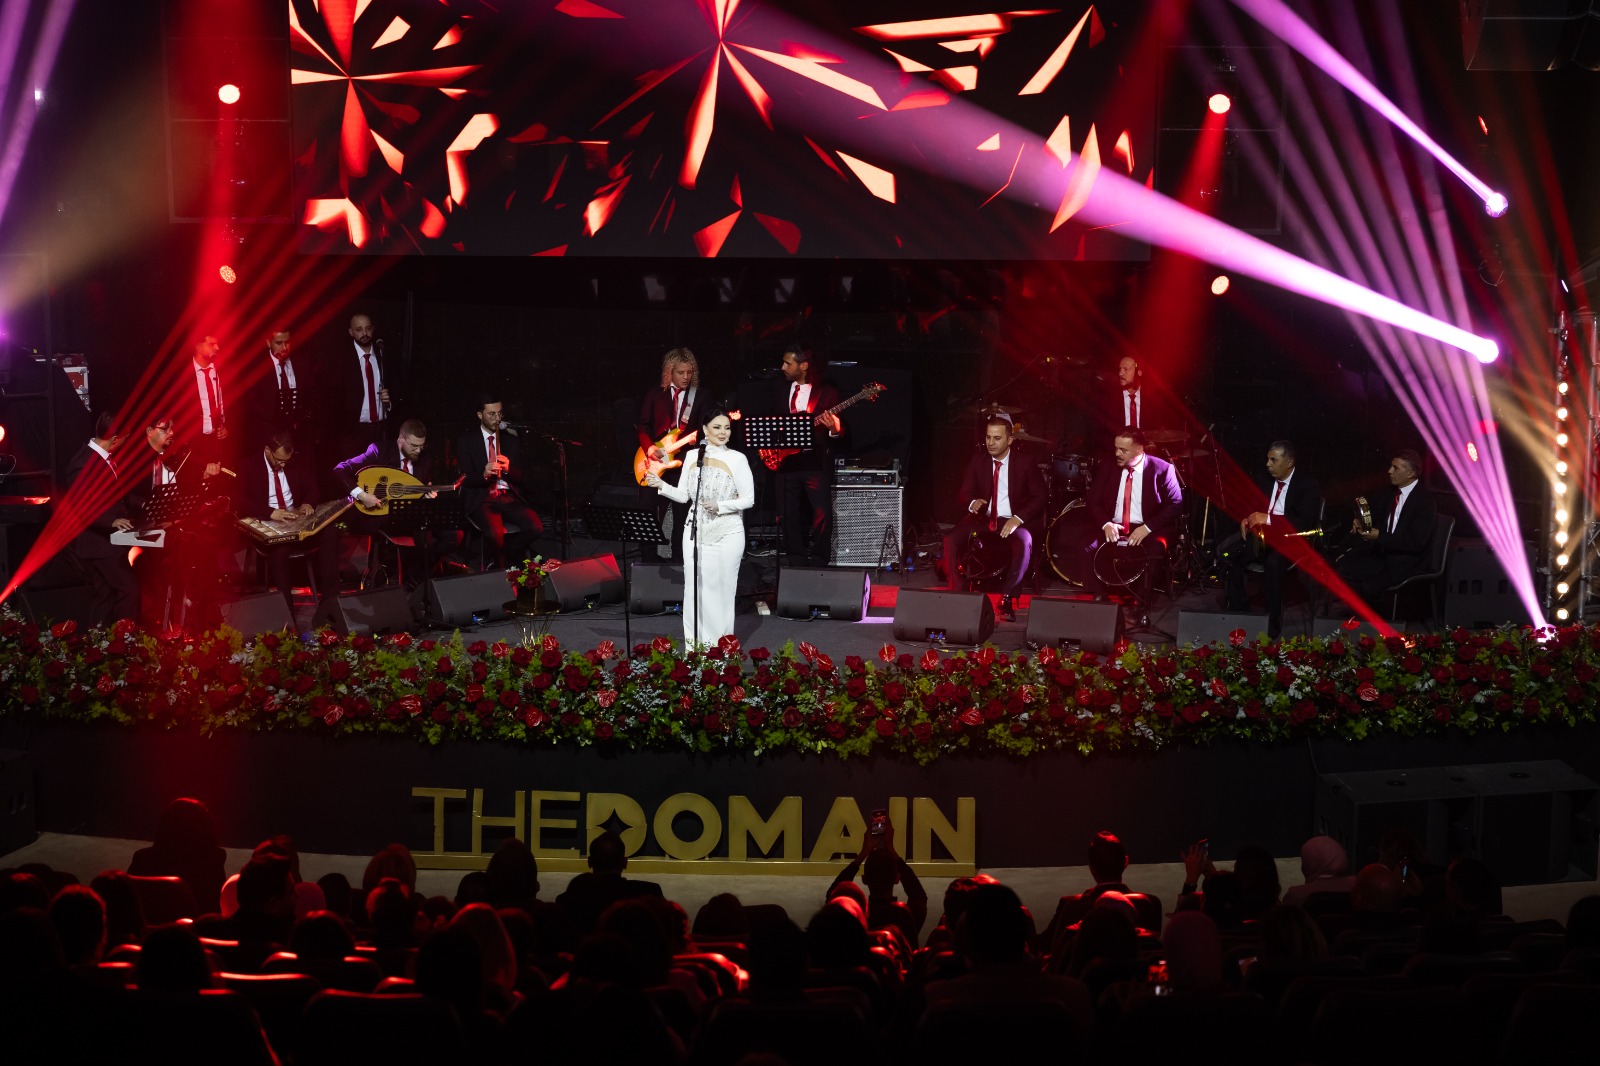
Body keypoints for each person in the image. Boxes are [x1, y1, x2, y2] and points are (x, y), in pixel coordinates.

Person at [644, 408, 753, 646]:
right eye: (717, 427)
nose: (723, 432)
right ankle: (695, 650)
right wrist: (661, 485)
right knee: (694, 591)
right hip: (694, 531)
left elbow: (749, 499)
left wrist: (721, 506)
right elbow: (684, 495)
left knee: (721, 593)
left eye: (726, 428)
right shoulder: (693, 456)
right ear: (705, 429)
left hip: (727, 533)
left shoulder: (737, 459)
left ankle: (720, 649)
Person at [940, 413, 1049, 621]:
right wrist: (973, 502)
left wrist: (1018, 518)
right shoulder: (979, 460)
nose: (991, 443)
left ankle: (1007, 598)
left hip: (1013, 519)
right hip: (985, 519)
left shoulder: (1025, 463)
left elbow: (1040, 496)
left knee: (1023, 541)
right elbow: (964, 493)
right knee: (950, 539)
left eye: (997, 438)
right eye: (988, 437)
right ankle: (958, 595)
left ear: (1010, 440)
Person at [234, 428, 342, 627]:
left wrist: (308, 502)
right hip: (269, 525)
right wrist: (270, 512)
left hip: (296, 521)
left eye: (286, 461)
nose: (283, 465)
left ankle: (331, 605)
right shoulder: (248, 465)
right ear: (268, 450)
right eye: (279, 461)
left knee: (330, 532)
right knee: (280, 550)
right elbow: (239, 500)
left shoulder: (295, 462)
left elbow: (313, 487)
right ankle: (287, 618)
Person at [1218, 440, 1323, 638]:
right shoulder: (1264, 479)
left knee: (1273, 563)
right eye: (1267, 459)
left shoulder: (1307, 485)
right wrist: (1246, 519)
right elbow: (1253, 506)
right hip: (1262, 537)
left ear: (1289, 462)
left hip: (1290, 539)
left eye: (1273, 460)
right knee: (1231, 557)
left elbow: (1304, 523)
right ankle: (1241, 612)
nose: (1268, 464)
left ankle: (1272, 624)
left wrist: (1268, 519)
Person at [337, 418, 464, 578]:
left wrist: (427, 496)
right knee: (424, 534)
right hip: (383, 514)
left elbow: (421, 492)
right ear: (401, 439)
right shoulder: (379, 451)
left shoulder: (425, 460)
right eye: (414, 446)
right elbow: (340, 470)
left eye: (421, 446)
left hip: (413, 515)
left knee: (455, 534)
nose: (418, 451)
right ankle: (420, 578)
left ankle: (415, 576)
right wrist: (362, 495)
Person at [1081, 428, 1184, 607]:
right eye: (1116, 448)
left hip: (1147, 526)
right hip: (1114, 525)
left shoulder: (1162, 469)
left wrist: (1148, 527)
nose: (1117, 453)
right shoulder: (1108, 466)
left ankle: (1141, 600)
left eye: (1123, 450)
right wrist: (1106, 524)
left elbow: (1176, 503)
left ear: (1139, 449)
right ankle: (1100, 596)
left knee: (1155, 549)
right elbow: (1093, 501)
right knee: (1085, 546)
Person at [1332, 448, 1437, 613]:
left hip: (1407, 560)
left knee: (1370, 586)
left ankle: (1378, 620)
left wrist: (1379, 536)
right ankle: (1360, 614)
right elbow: (1377, 513)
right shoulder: (1391, 493)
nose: (1389, 471)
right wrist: (1360, 521)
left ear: (1410, 473)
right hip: (1384, 553)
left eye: (1395, 468)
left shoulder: (1424, 502)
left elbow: (1415, 543)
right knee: (1344, 569)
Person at [766, 346, 842, 565]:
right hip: (786, 461)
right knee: (787, 512)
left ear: (804, 366)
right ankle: (795, 557)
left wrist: (834, 429)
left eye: (788, 363)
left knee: (822, 512)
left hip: (814, 462)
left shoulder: (827, 392)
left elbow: (840, 431)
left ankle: (819, 558)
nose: (782, 367)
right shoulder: (779, 389)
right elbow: (770, 422)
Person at [63, 410, 139, 627]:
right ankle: (126, 638)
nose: (126, 442)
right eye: (125, 438)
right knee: (129, 590)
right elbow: (80, 506)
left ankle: (98, 640)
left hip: (110, 542)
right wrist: (111, 521)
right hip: (99, 544)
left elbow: (119, 495)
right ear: (114, 439)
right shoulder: (82, 464)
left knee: (105, 595)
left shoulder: (105, 459)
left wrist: (143, 504)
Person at [636, 347, 710, 563]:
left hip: (684, 461)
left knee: (682, 511)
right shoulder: (655, 395)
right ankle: (648, 557)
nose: (686, 377)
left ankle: (679, 557)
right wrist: (649, 448)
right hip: (655, 459)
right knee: (647, 509)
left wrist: (700, 437)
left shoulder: (701, 396)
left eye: (689, 372)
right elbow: (643, 425)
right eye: (681, 372)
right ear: (669, 372)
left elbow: (708, 426)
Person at [456, 394, 541, 569]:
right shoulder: (467, 441)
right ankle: (502, 572)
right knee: (495, 535)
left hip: (508, 496)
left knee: (536, 527)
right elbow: (464, 479)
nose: (497, 418)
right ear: (480, 415)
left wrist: (509, 469)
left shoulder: (511, 441)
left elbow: (524, 477)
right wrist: (483, 474)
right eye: (491, 414)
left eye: (500, 413)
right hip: (483, 498)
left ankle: (501, 558)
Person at [328, 313, 393, 459]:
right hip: (354, 431)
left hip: (381, 429)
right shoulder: (341, 359)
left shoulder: (383, 355)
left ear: (373, 329)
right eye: (359, 329)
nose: (364, 334)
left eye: (368, 329)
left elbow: (397, 389)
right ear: (351, 332)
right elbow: (334, 399)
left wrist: (389, 402)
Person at [181, 334, 230, 477]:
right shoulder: (184, 376)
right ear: (198, 348)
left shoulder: (224, 370)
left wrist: (228, 426)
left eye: (217, 344)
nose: (217, 348)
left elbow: (236, 404)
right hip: (196, 445)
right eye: (211, 344)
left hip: (222, 442)